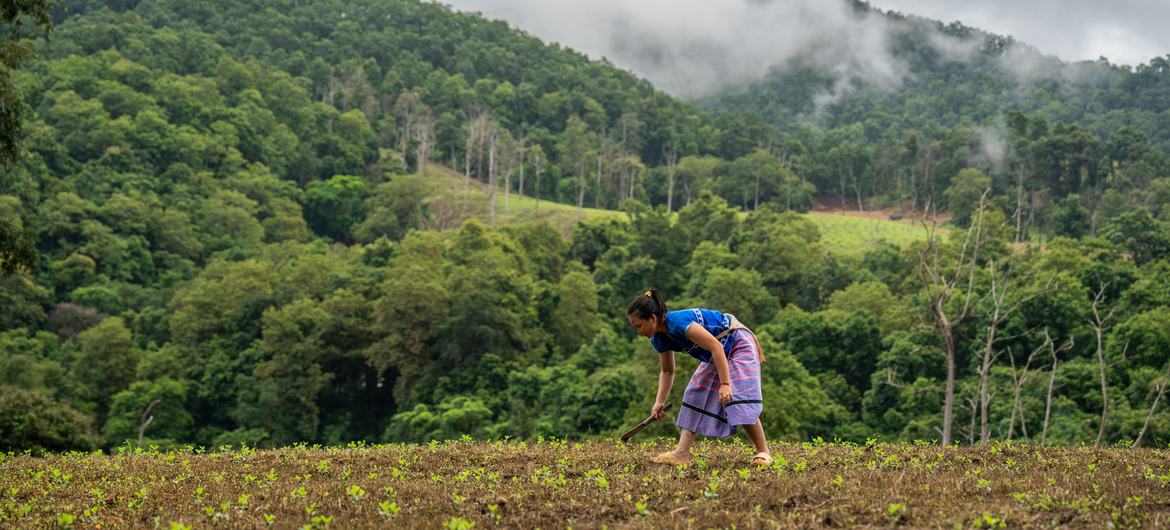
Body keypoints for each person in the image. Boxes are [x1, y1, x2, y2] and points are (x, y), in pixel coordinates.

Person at [627, 288, 772, 466]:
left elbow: (716, 347)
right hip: (717, 352)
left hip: (736, 342)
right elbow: (667, 371)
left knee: (737, 396)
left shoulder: (679, 323)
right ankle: (681, 454)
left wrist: (725, 384)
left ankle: (763, 451)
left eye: (639, 326)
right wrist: (659, 402)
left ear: (653, 318)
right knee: (695, 393)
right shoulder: (658, 339)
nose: (638, 331)